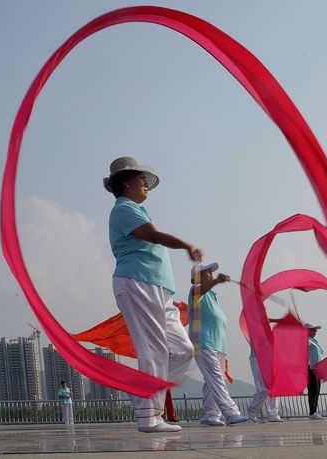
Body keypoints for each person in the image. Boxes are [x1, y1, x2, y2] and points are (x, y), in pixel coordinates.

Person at [105, 156, 202, 433]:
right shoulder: (123, 209)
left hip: (159, 289)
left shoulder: (137, 209)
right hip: (137, 282)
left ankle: (142, 393)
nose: (145, 183)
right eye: (141, 178)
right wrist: (185, 245)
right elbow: (153, 235)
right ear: (126, 182)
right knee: (153, 350)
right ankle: (148, 416)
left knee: (182, 350)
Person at [187, 263, 248, 426]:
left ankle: (210, 415)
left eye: (211, 273)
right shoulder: (195, 292)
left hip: (218, 345)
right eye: (207, 272)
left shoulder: (212, 296)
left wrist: (214, 283)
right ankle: (231, 413)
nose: (211, 274)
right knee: (216, 378)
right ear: (197, 277)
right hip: (202, 342)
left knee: (212, 381)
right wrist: (216, 281)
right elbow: (199, 290)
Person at [247, 319, 284, 423]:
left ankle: (273, 414)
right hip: (258, 358)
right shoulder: (254, 329)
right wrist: (276, 320)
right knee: (263, 388)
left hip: (270, 359)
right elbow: (259, 319)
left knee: (274, 388)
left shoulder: (269, 333)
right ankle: (252, 413)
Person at [306, 323, 325, 420]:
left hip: (317, 368)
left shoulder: (314, 341)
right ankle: (312, 412)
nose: (315, 332)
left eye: (315, 330)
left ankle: (314, 411)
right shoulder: (305, 339)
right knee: (313, 390)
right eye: (313, 330)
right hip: (310, 368)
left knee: (317, 390)